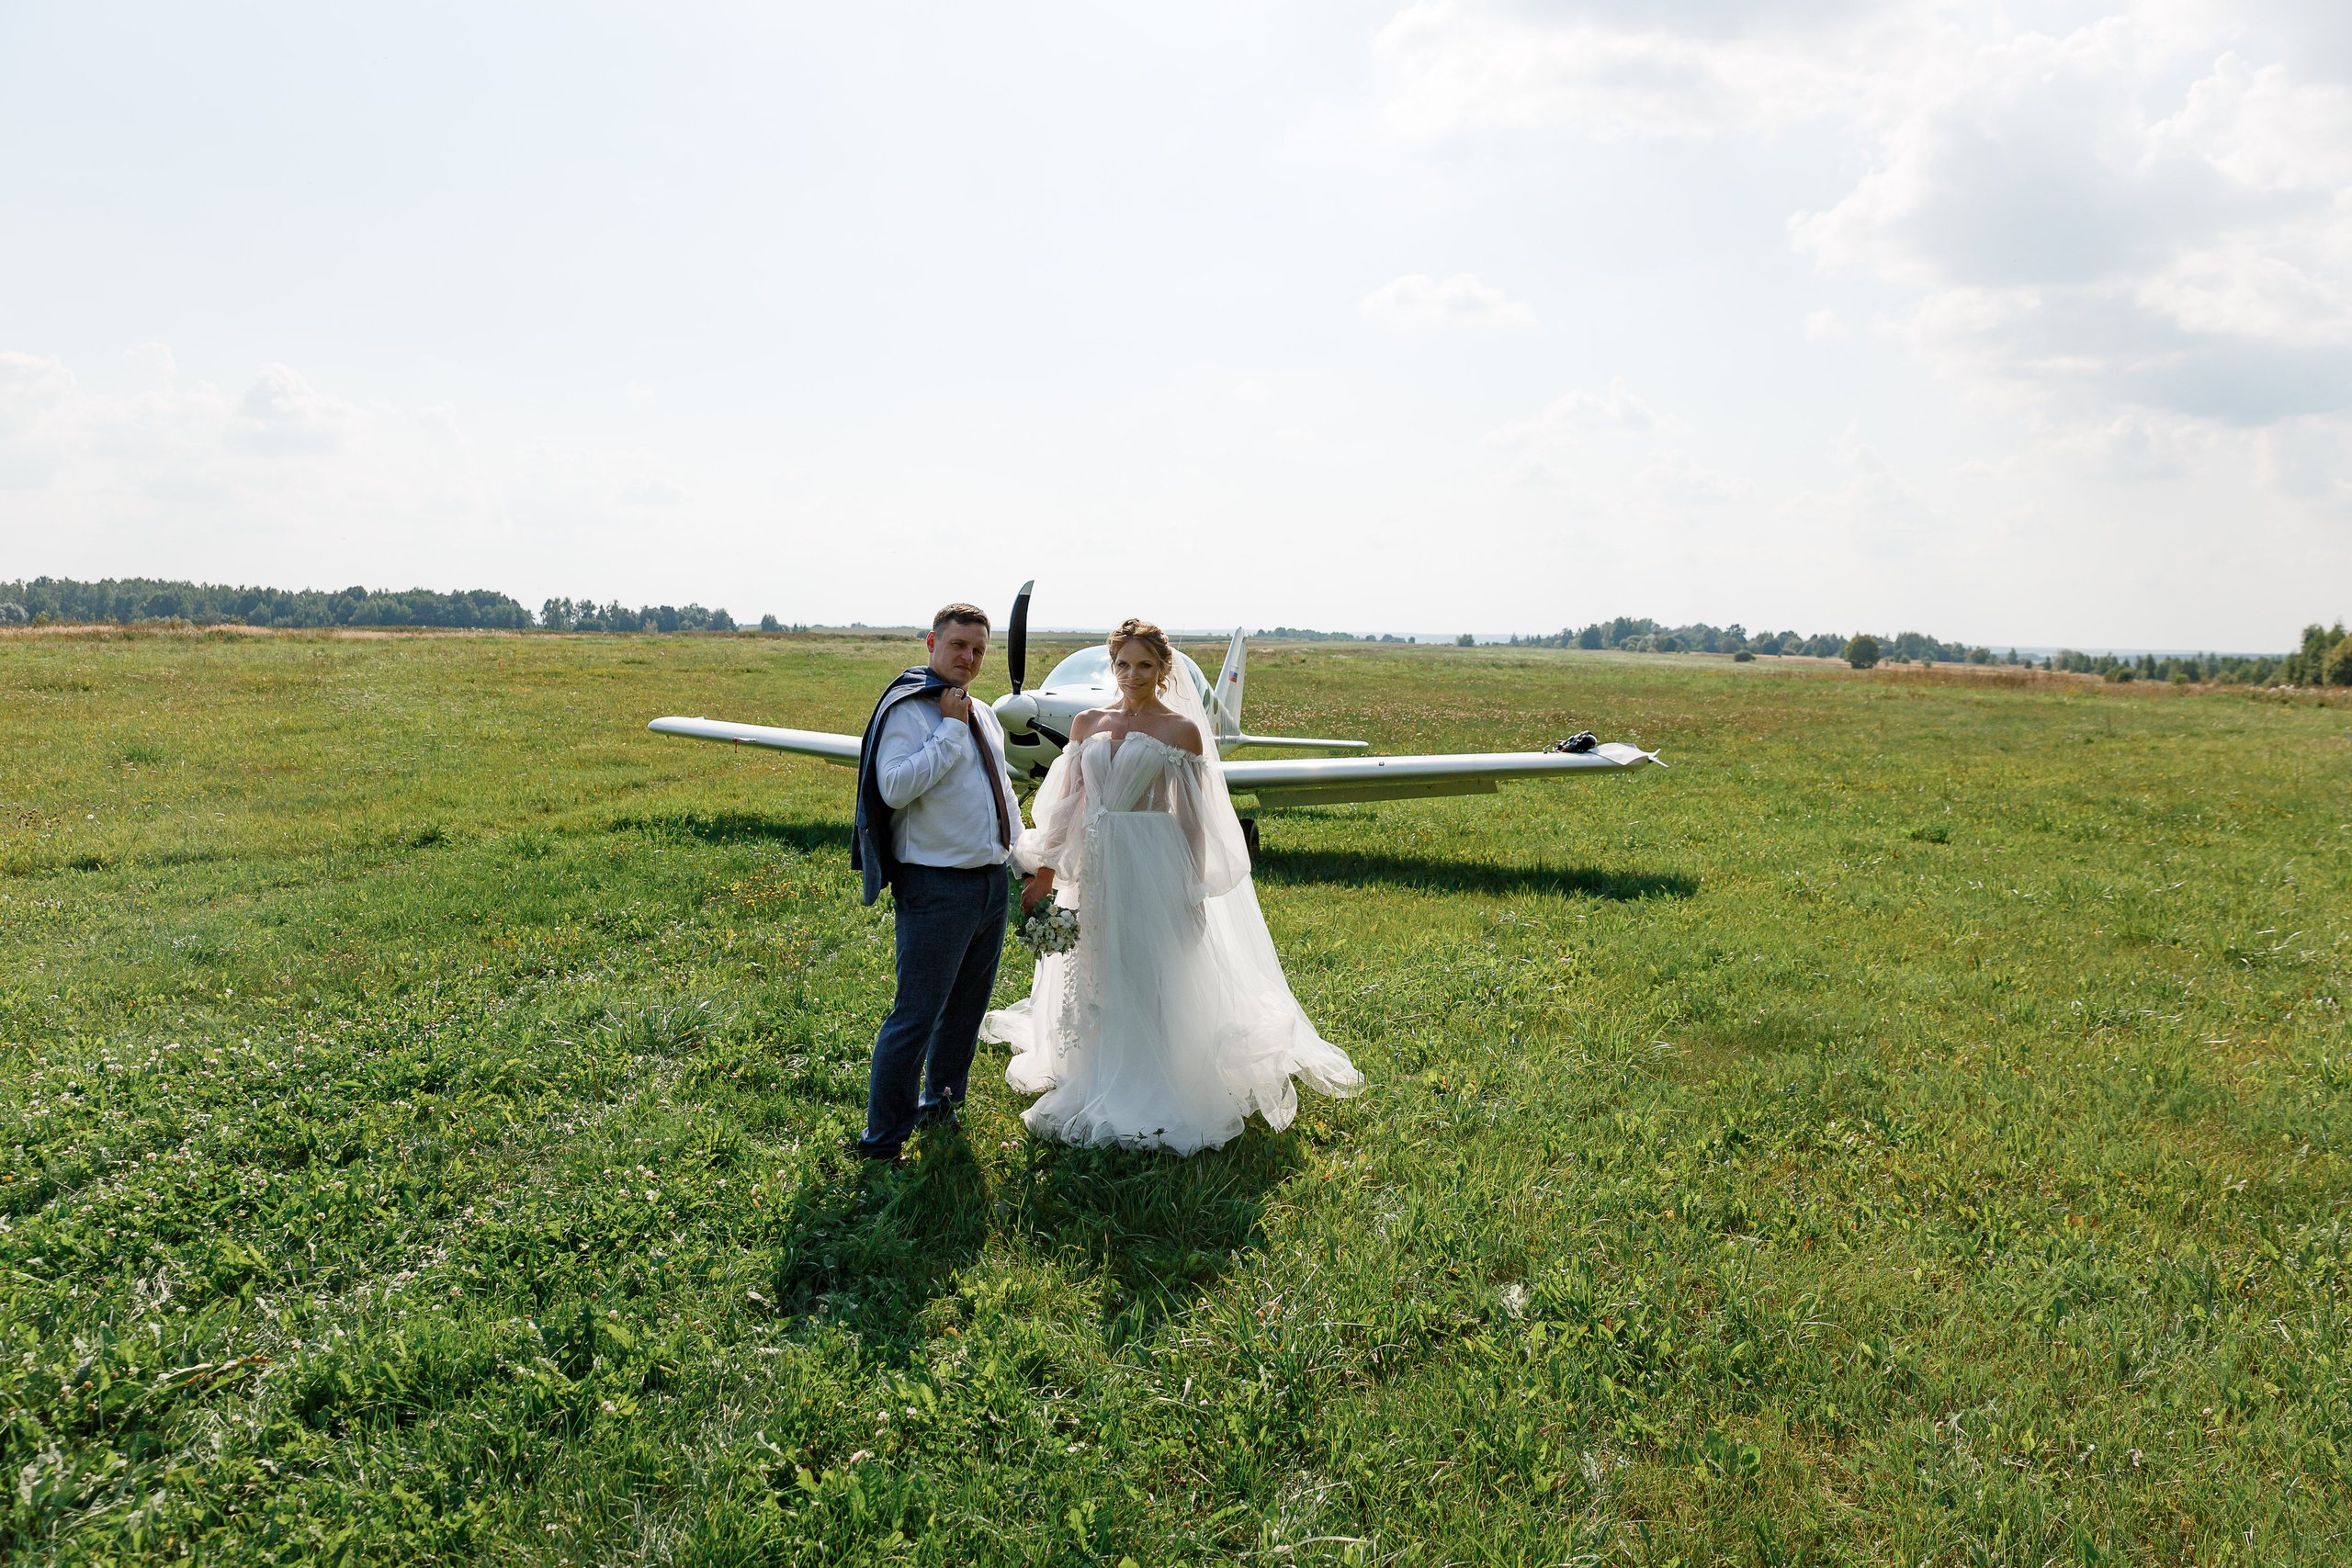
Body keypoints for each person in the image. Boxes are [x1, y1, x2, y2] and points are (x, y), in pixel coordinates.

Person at [981, 617, 1363, 1154]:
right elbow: (1069, 806)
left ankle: (1152, 1070)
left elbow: (1192, 820)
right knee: (1096, 961)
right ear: (1111, 666)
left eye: (1144, 665)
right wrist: (1045, 872)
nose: (1131, 675)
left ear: (1164, 670)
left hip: (1151, 860)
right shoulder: (1087, 723)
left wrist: (1191, 890)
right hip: (1094, 860)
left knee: (1150, 963)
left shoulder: (1179, 731)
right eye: (1122, 664)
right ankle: (1095, 1063)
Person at [851, 603, 1023, 1163]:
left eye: (978, 649)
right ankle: (883, 1141)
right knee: (916, 1014)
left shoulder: (987, 714)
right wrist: (949, 730)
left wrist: (1022, 859)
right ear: (932, 642)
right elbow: (894, 788)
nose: (968, 658)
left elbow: (1003, 792)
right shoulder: (910, 710)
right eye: (958, 646)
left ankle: (941, 1104)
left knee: (967, 1008)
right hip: (936, 888)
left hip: (990, 885)